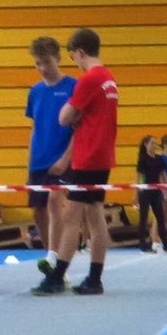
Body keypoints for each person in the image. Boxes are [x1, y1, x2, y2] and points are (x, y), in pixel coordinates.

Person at [34, 29, 117, 296]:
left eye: (73, 57)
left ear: (80, 52)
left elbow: (64, 117)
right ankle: (94, 278)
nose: (75, 63)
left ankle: (57, 276)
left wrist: (73, 114)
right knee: (95, 215)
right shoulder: (109, 79)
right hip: (103, 154)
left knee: (71, 216)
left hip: (88, 155)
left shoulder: (89, 79)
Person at [25, 36, 77, 255]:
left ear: (58, 58)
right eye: (38, 63)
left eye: (47, 62)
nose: (43, 68)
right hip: (39, 160)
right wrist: (30, 161)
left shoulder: (73, 86)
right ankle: (50, 255)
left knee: (55, 205)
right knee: (38, 211)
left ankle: (58, 258)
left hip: (63, 159)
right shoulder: (35, 91)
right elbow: (36, 127)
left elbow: (80, 129)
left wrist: (65, 159)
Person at [133, 135, 167, 253]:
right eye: (152, 143)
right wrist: (136, 194)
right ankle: (143, 244)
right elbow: (138, 177)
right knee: (143, 218)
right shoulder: (142, 159)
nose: (155, 145)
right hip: (145, 192)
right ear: (146, 145)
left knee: (161, 218)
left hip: (156, 192)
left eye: (156, 143)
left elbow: (163, 175)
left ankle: (165, 243)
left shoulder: (159, 159)